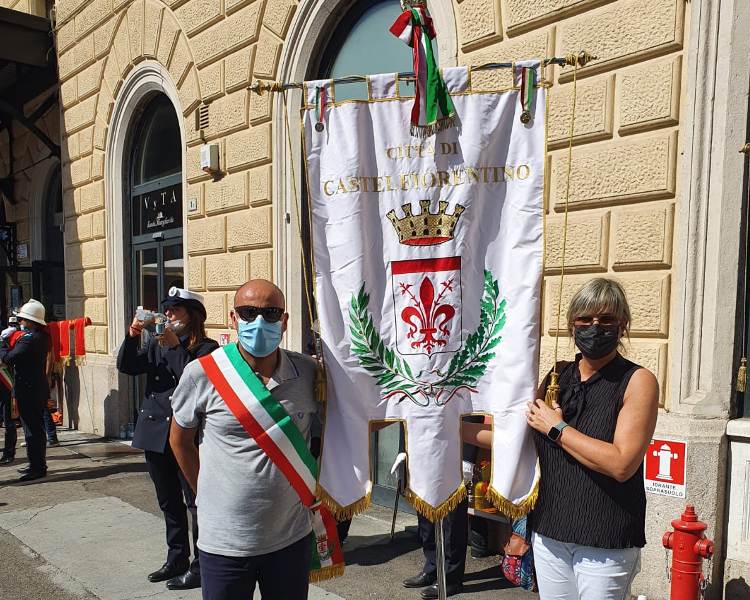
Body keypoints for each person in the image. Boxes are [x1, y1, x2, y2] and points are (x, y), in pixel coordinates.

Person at [465, 277, 658, 599]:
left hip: (605, 538)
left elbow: (622, 463)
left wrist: (557, 429)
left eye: (606, 319)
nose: (594, 327)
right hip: (550, 531)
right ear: (572, 325)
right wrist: (444, 427)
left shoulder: (637, 380)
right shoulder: (558, 376)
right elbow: (521, 438)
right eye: (585, 318)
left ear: (622, 324)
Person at [170, 279, 321, 600]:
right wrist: (206, 492)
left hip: (290, 538)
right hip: (225, 542)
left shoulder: (309, 373)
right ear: (233, 318)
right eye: (249, 313)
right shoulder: (201, 373)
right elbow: (180, 441)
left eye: (271, 313)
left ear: (285, 321)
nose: (259, 321)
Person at [117, 287, 217, 591]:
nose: (169, 315)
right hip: (156, 432)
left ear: (193, 316)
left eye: (176, 310)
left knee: (196, 502)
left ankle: (202, 566)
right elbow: (127, 366)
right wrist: (133, 335)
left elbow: (191, 379)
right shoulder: (157, 344)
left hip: (188, 438)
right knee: (168, 502)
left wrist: (174, 346)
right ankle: (177, 558)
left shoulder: (207, 348)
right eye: (167, 310)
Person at [0, 300, 50, 481]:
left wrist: (2, 342)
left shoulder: (29, 340)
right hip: (36, 388)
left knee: (32, 431)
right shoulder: (41, 336)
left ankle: (37, 467)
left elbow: (8, 358)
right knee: (35, 429)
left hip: (29, 391)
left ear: (31, 321)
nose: (20, 322)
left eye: (23, 319)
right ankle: (36, 464)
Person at [0, 316, 19, 465]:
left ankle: (8, 453)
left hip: (5, 383)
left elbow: (7, 358)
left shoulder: (5, 337)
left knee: (9, 420)